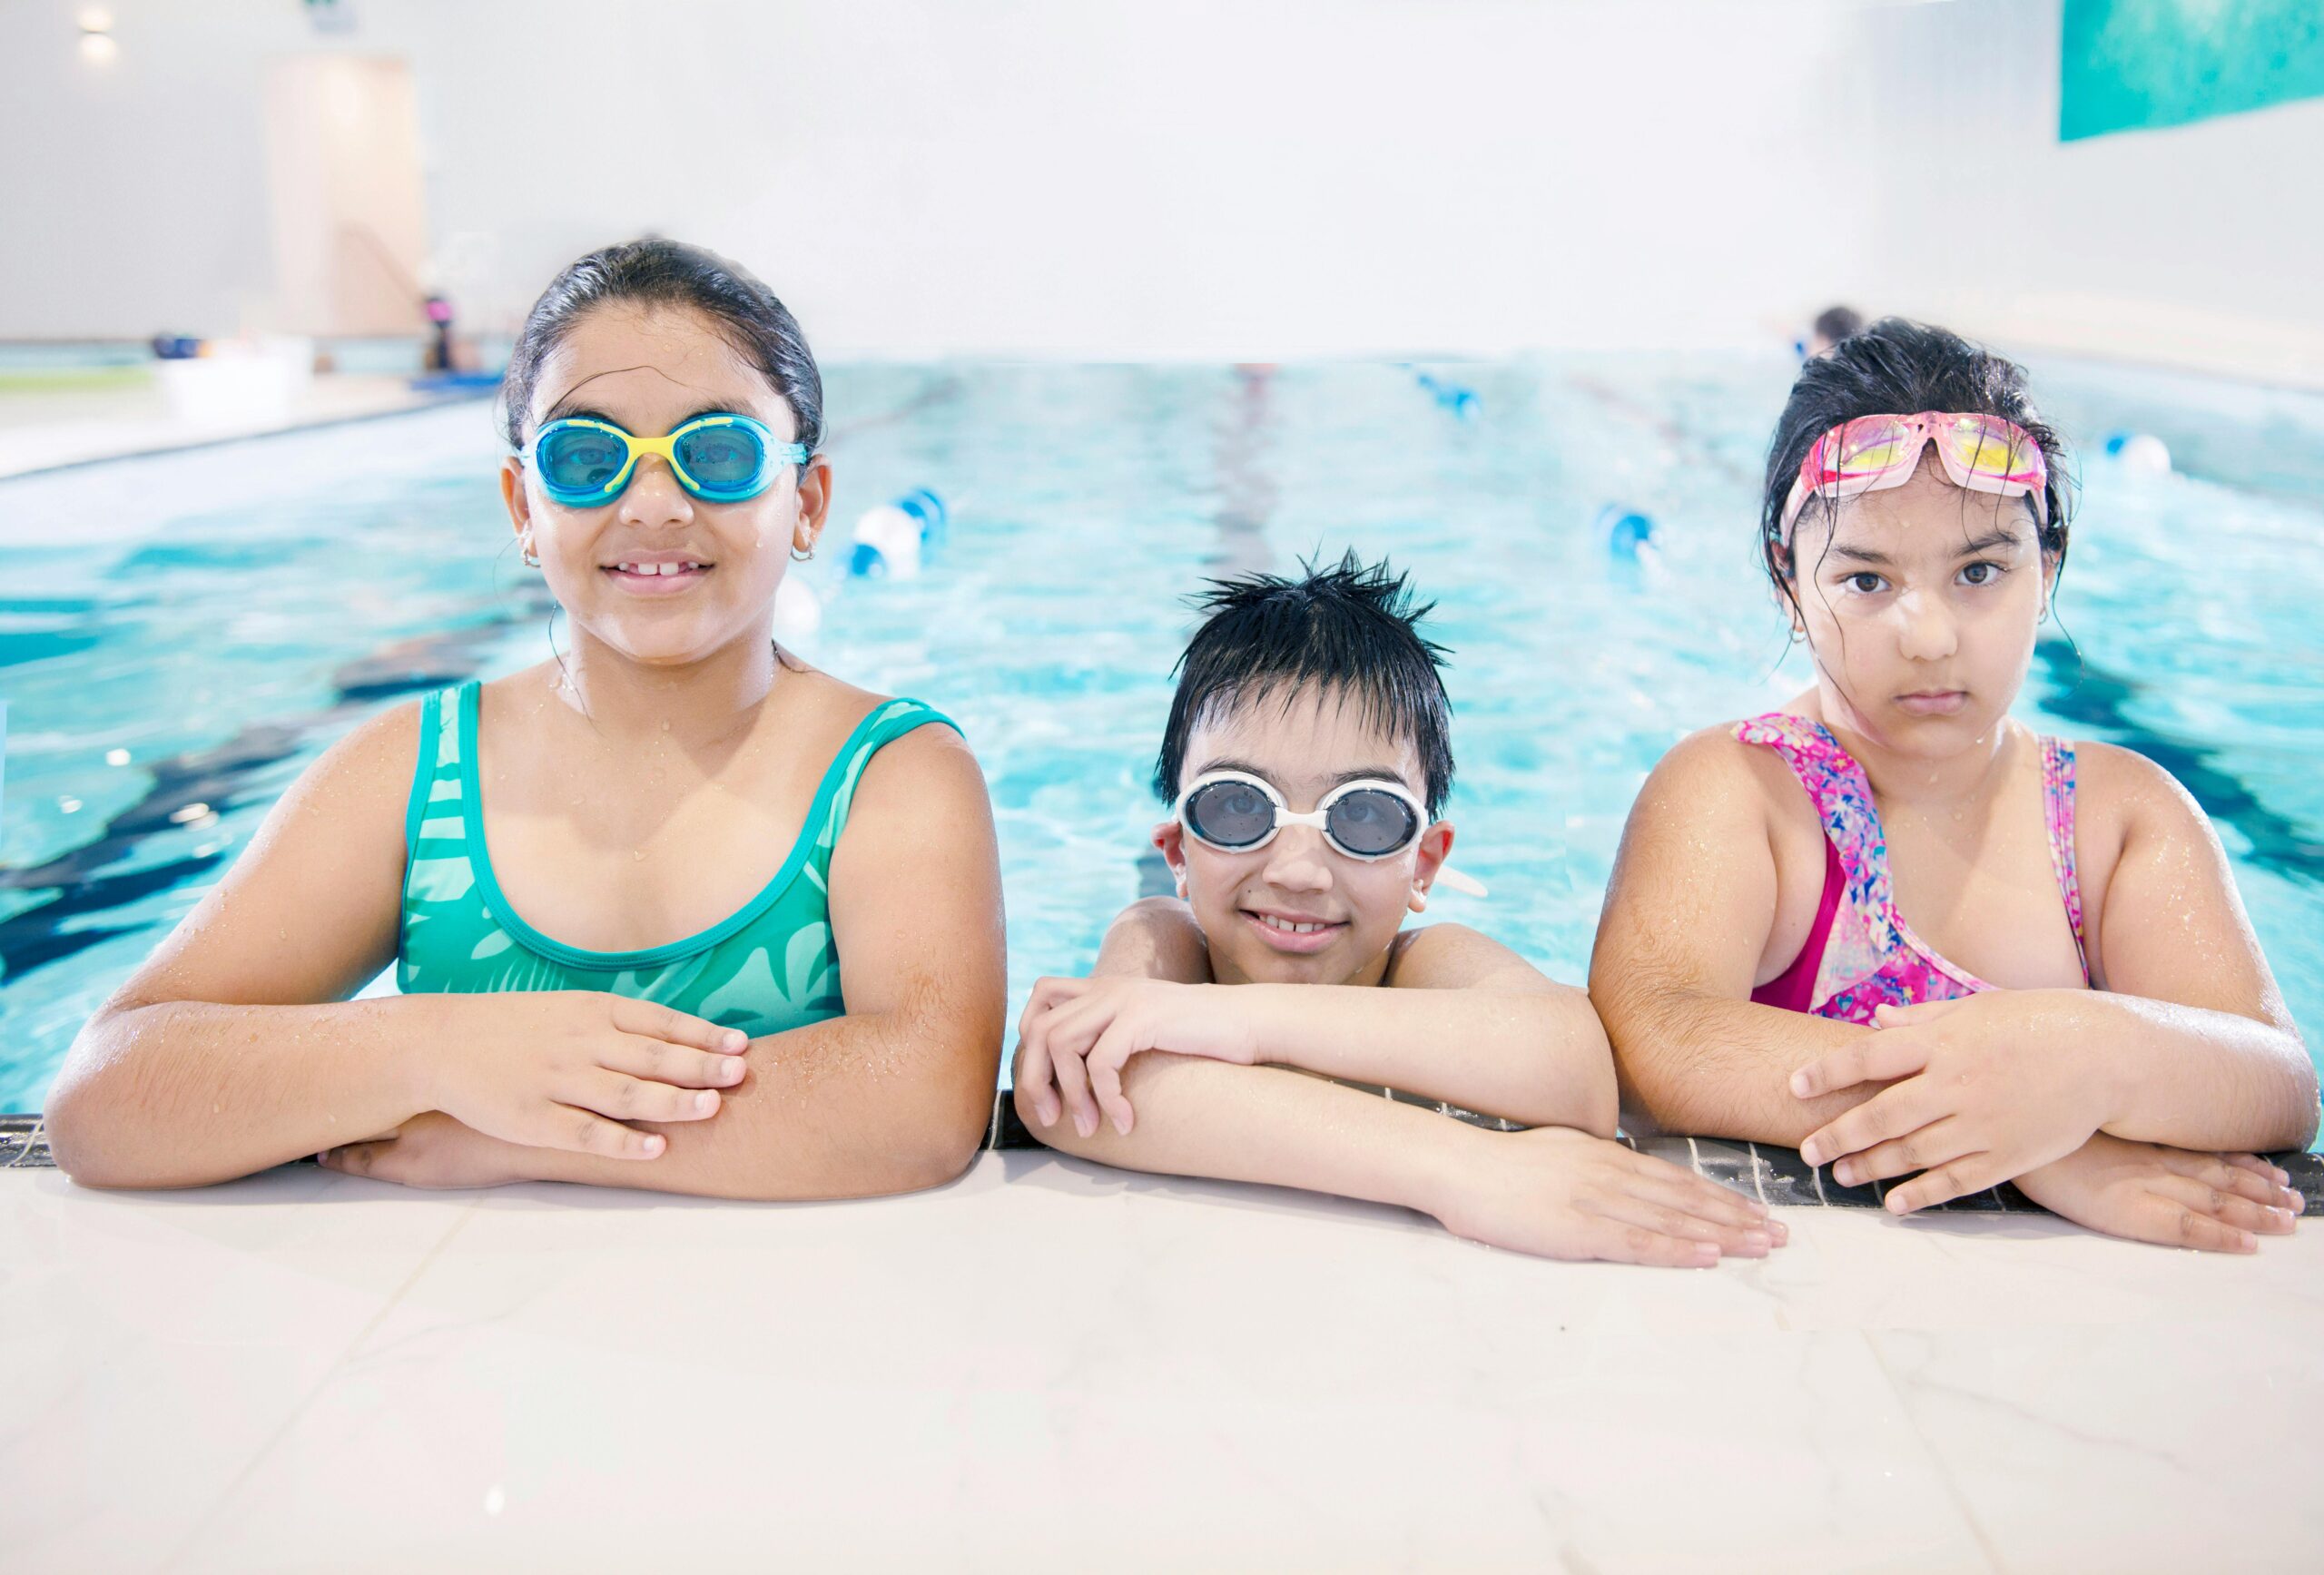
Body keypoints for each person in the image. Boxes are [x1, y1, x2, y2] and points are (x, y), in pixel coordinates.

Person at [46, 239, 1005, 1197]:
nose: (656, 504)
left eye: (717, 454)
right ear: (522, 505)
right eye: (587, 458)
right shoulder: (411, 777)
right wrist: (437, 1048)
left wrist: (513, 1137)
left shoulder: (891, 776)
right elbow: (105, 1099)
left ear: (806, 501)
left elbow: (925, 1099)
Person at [1590, 319, 2315, 1251]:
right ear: (1787, 583)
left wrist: (2083, 1060)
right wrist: (2026, 1137)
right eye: (1863, 580)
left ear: (2043, 565)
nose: (1927, 636)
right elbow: (1654, 1039)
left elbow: (2275, 1084)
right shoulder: (1742, 793)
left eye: (1979, 570)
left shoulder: (2116, 817)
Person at [1014, 554, 1782, 1266]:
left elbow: (1580, 1071)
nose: (1299, 871)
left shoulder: (1426, 962)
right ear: (1178, 850)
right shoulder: (1160, 938)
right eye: (1240, 806)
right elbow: (1066, 1088)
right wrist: (1461, 1168)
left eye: (1364, 816)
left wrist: (1240, 1021)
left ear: (1424, 863)